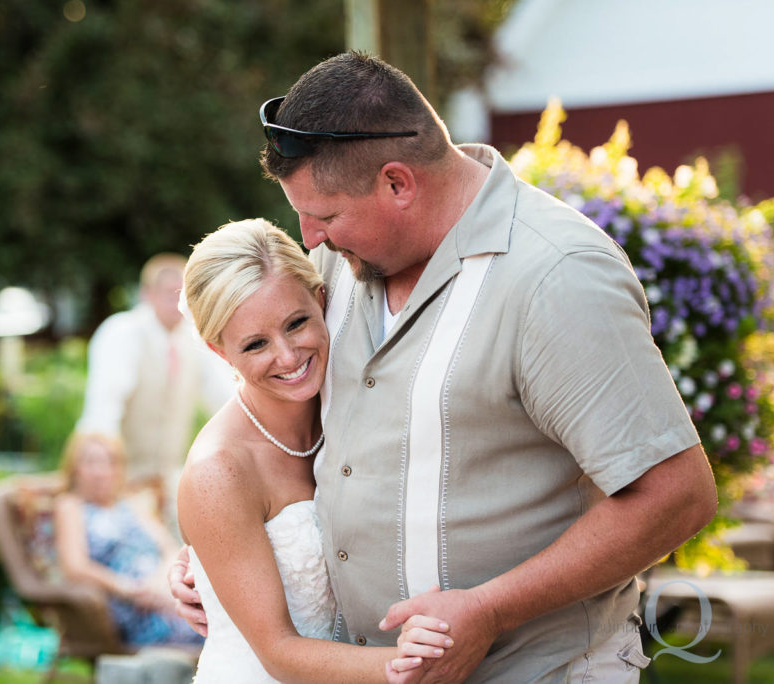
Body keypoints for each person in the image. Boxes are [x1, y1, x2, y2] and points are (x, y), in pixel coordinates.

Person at [171, 51, 718, 683]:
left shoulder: (555, 278)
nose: (309, 236)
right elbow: (276, 404)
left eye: (322, 215)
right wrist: (219, 552)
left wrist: (488, 609)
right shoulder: (339, 264)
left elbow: (676, 496)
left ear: (398, 183)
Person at [177, 218, 453, 683]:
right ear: (220, 352)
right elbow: (277, 652)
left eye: (297, 323)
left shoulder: (346, 407)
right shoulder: (219, 470)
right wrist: (408, 662)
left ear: (321, 299)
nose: (287, 357)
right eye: (255, 344)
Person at [76, 253, 234, 527]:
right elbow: (105, 408)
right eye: (168, 294)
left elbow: (227, 402)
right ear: (146, 294)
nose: (178, 303)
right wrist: (104, 479)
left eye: (183, 294)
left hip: (170, 480)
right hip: (121, 479)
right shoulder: (122, 333)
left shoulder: (196, 340)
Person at [53, 431, 203, 648]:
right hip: (128, 604)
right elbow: (75, 567)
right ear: (75, 468)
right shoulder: (70, 506)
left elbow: (171, 550)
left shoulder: (131, 504)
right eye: (91, 462)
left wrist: (160, 584)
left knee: (217, 619)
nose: (101, 471)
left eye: (109, 462)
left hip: (162, 591)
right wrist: (130, 589)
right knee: (210, 627)